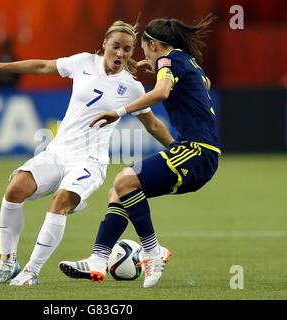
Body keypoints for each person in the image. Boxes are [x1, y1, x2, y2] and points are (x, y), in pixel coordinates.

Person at [0, 20, 174, 286]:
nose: (120, 54)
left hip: (90, 161)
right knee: (14, 189)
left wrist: (178, 148)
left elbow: (152, 124)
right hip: (57, 152)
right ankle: (8, 262)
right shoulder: (83, 62)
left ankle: (31, 272)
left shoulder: (132, 88)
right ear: (104, 45)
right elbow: (44, 66)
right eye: (116, 47)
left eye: (127, 49)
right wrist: (0, 65)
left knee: (60, 202)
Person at [59, 14, 221, 288]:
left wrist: (120, 111)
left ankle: (153, 251)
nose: (139, 53)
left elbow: (161, 93)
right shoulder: (185, 62)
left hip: (197, 151)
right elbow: (202, 84)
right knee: (120, 190)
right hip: (196, 153)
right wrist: (161, 69)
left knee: (124, 180)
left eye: (142, 47)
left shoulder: (171, 60)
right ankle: (98, 260)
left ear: (154, 45)